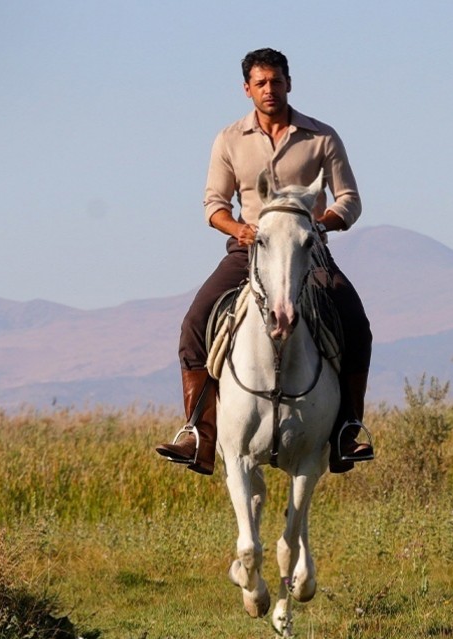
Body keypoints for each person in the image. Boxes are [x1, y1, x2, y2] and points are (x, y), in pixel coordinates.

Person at [155, 47, 374, 475]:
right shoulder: (229, 139)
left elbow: (350, 199)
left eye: (276, 81)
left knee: (354, 322)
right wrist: (238, 229)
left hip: (308, 251)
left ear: (289, 83)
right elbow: (214, 204)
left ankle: (347, 430)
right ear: (247, 89)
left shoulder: (322, 137)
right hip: (249, 250)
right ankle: (199, 434)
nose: (269, 89)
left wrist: (321, 225)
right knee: (195, 323)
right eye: (260, 83)